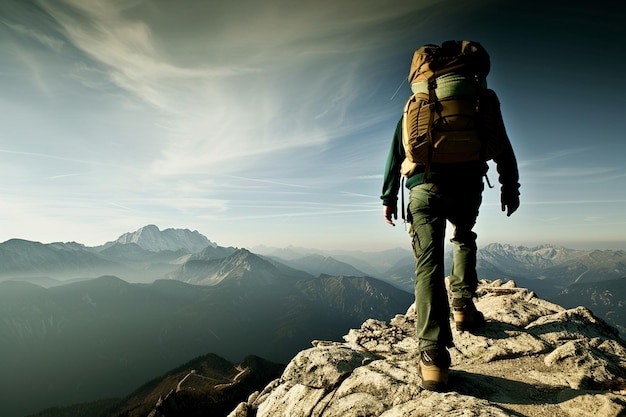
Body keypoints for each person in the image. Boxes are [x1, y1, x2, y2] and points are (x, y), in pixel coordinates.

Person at [380, 79, 520, 392]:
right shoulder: (478, 105)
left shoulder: (415, 108)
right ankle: (463, 306)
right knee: (463, 236)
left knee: (428, 262)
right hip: (467, 188)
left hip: (424, 188)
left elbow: (394, 156)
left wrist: (389, 198)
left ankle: (432, 355)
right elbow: (501, 144)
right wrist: (510, 185)